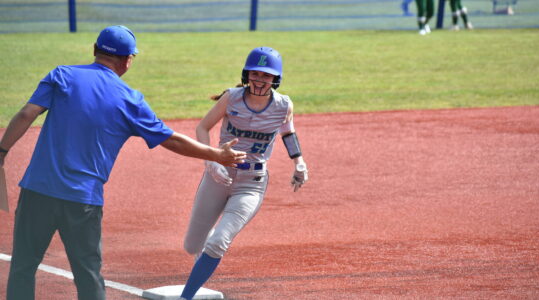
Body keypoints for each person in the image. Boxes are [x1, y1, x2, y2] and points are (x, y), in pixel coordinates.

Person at [1, 25, 246, 300]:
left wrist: (2, 152)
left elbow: (26, 114)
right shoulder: (130, 100)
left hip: (38, 190)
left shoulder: (62, 75)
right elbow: (171, 140)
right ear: (128, 61)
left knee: (23, 267)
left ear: (95, 50)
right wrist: (217, 155)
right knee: (87, 272)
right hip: (83, 201)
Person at [179, 47, 309, 299]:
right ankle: (201, 254)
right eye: (255, 74)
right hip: (219, 175)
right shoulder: (232, 97)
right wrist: (211, 160)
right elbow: (202, 128)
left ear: (276, 79)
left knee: (218, 242)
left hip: (252, 183)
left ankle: (187, 296)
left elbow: (288, 133)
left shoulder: (283, 105)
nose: (260, 80)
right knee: (192, 245)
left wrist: (299, 162)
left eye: (266, 75)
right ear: (247, 74)